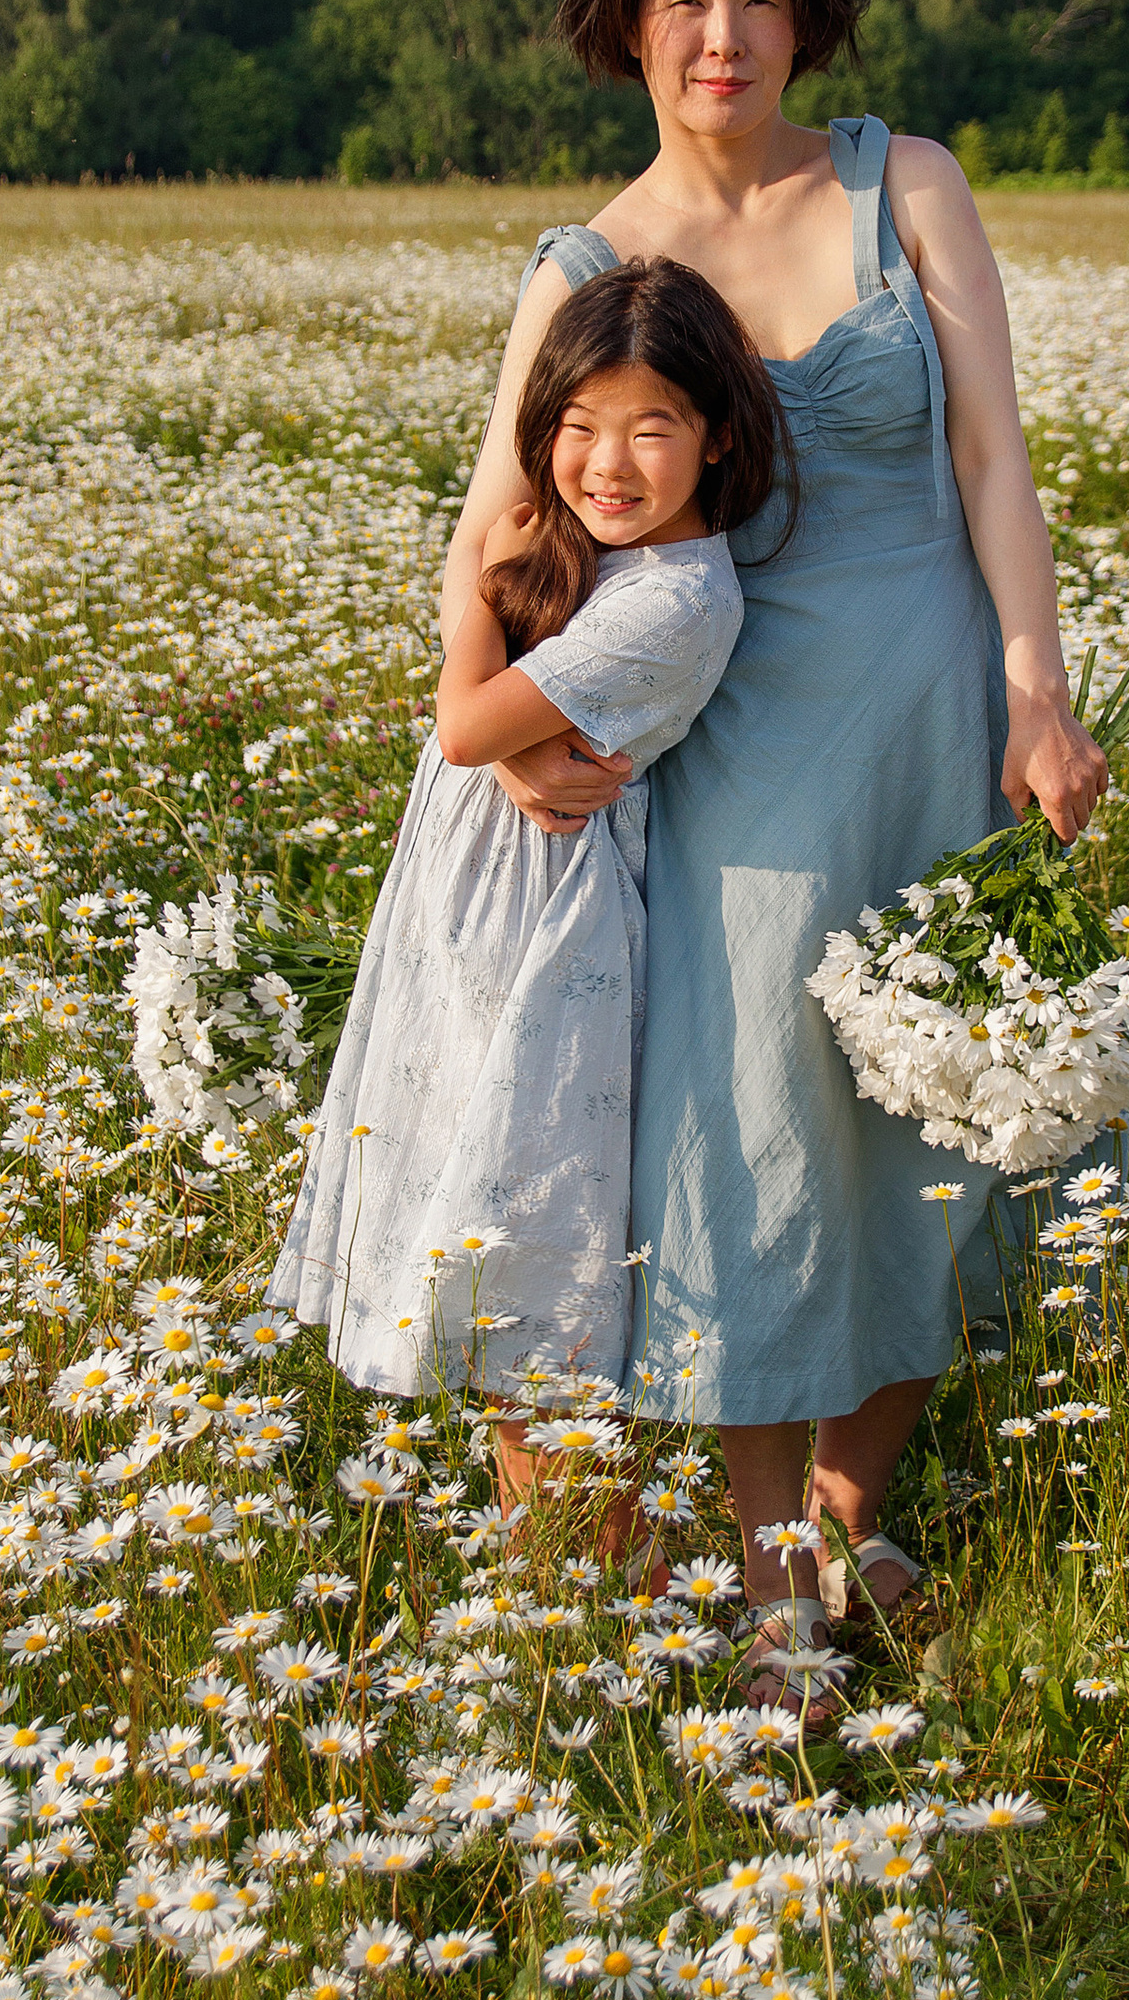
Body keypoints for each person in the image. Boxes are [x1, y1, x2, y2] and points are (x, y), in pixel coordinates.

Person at [439, 0, 1108, 1715]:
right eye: (681, 3)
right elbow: (486, 528)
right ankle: (773, 1586)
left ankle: (850, 1506)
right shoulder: (587, 262)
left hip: (933, 732)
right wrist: (496, 746)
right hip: (723, 753)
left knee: (936, 1114)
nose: (721, 37)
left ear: (804, 7)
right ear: (627, 27)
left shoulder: (915, 190)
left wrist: (1036, 695)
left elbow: (995, 466)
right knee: (751, 1136)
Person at [273, 258, 783, 1529]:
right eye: (578, 426)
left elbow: (464, 726)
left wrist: (468, 598)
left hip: (543, 934)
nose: (608, 463)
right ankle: (563, 1565)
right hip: (473, 914)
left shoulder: (675, 599)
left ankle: (587, 1578)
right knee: (486, 1229)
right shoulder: (599, 560)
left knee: (525, 1241)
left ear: (717, 435)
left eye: (651, 427)